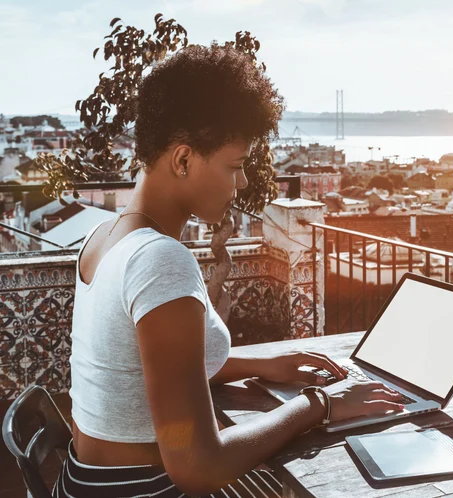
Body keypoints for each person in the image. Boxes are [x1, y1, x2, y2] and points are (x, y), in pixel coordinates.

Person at [53, 44, 404, 498]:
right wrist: (318, 405)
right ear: (182, 160)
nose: (240, 183)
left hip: (86, 482)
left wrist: (259, 364)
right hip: (143, 489)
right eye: (234, 166)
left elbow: (143, 371)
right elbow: (195, 464)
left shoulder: (105, 237)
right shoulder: (160, 261)